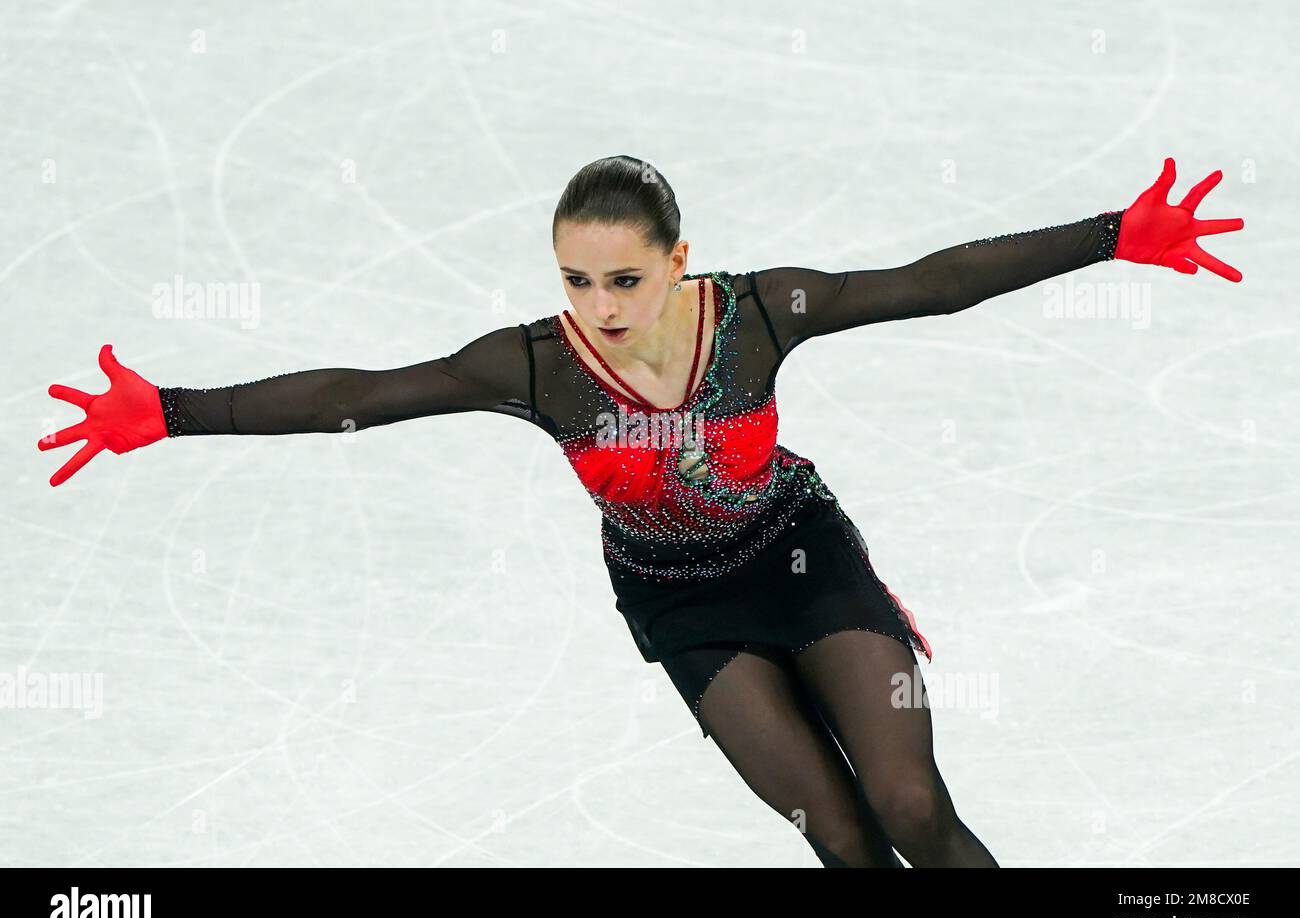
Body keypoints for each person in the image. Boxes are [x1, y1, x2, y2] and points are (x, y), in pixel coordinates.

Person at [38, 154, 1243, 867]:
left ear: (678, 260)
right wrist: (179, 410)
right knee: (839, 837)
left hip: (801, 557)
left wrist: (1109, 236)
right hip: (681, 603)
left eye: (623, 276)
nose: (599, 304)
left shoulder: (765, 310)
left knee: (912, 804)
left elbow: (929, 286)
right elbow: (361, 396)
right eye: (574, 278)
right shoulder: (534, 367)